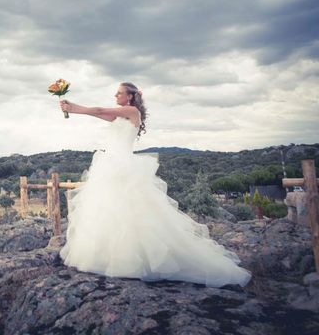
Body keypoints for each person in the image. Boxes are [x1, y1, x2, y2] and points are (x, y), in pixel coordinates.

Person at [57, 82, 251, 288]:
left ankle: (137, 260)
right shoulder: (120, 114)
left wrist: (73, 107)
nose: (115, 95)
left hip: (122, 165)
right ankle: (112, 256)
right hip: (111, 164)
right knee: (112, 209)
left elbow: (100, 109)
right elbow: (97, 114)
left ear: (130, 97)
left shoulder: (132, 111)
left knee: (131, 210)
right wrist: (74, 109)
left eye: (119, 93)